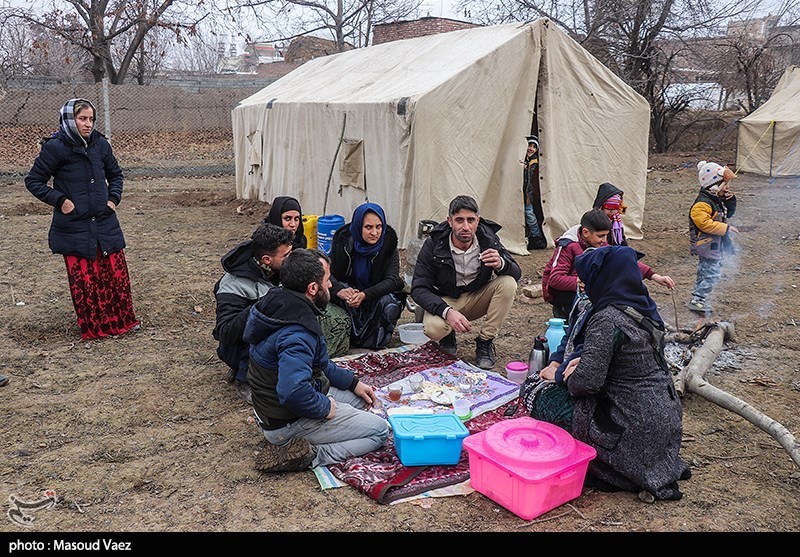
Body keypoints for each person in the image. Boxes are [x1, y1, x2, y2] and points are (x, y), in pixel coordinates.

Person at [531, 245, 691, 501]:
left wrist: (562, 375)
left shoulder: (608, 318)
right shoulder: (643, 306)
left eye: (588, 278)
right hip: (664, 423)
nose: (584, 284)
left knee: (538, 394)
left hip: (631, 427)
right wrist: (576, 363)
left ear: (602, 278)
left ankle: (613, 469)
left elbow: (585, 384)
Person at [244, 248, 390, 473]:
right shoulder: (296, 334)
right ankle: (310, 454)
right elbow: (292, 391)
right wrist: (324, 408)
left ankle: (320, 429)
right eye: (327, 280)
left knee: (363, 400)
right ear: (313, 288)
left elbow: (319, 364)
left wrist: (352, 382)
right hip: (285, 422)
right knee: (379, 431)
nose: (331, 285)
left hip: (278, 409)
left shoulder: (282, 303)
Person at [24, 98, 139, 341]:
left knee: (115, 274)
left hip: (105, 221)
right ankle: (95, 327)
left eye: (91, 119)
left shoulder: (100, 144)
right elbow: (33, 181)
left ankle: (122, 321)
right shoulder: (55, 147)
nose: (88, 124)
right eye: (82, 119)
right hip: (75, 225)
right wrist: (61, 201)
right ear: (70, 119)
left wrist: (113, 199)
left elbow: (115, 174)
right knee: (86, 280)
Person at [411, 195, 521, 369]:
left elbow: (516, 273)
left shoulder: (488, 240)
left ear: (478, 221)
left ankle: (485, 342)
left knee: (508, 283)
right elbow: (418, 287)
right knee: (433, 329)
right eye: (459, 220)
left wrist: (501, 263)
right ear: (449, 221)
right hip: (446, 299)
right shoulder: (434, 243)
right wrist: (446, 312)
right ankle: (447, 335)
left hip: (476, 296)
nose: (466, 227)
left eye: (471, 220)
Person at [213, 223, 294, 405]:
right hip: (239, 347)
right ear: (266, 259)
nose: (292, 259)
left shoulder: (280, 270)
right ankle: (246, 379)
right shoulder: (233, 284)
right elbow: (226, 332)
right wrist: (263, 306)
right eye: (286, 256)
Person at [542, 209, 674, 319]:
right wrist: (578, 281)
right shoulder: (567, 246)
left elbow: (622, 262)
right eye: (601, 236)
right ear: (586, 232)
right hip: (566, 300)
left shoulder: (601, 245)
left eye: (606, 236)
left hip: (586, 296)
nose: (604, 240)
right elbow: (555, 279)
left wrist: (654, 276)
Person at [266, 196, 351, 356]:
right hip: (274, 302)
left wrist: (338, 290)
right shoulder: (266, 244)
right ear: (277, 217)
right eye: (287, 218)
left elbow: (315, 269)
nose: (293, 224)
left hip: (298, 294)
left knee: (339, 316)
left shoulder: (299, 240)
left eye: (297, 219)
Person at [329, 202, 407, 349]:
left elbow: (392, 280)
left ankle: (376, 340)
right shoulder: (343, 242)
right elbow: (326, 272)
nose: (375, 233)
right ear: (358, 226)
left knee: (389, 302)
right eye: (368, 227)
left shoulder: (388, 244)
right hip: (350, 296)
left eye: (379, 227)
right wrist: (340, 291)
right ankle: (346, 337)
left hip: (374, 296)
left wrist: (365, 294)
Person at [688, 161, 738, 315]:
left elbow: (728, 214)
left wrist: (730, 201)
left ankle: (698, 297)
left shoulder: (715, 200)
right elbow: (704, 224)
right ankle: (698, 299)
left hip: (713, 244)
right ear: (714, 186)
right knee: (712, 273)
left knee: (705, 271)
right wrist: (726, 228)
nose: (727, 188)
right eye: (725, 185)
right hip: (706, 244)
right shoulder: (702, 205)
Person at [521, 135, 547, 250]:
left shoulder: (534, 161)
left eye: (534, 147)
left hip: (527, 194)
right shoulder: (522, 159)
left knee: (530, 216)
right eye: (529, 145)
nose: (530, 149)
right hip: (522, 192)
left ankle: (537, 237)